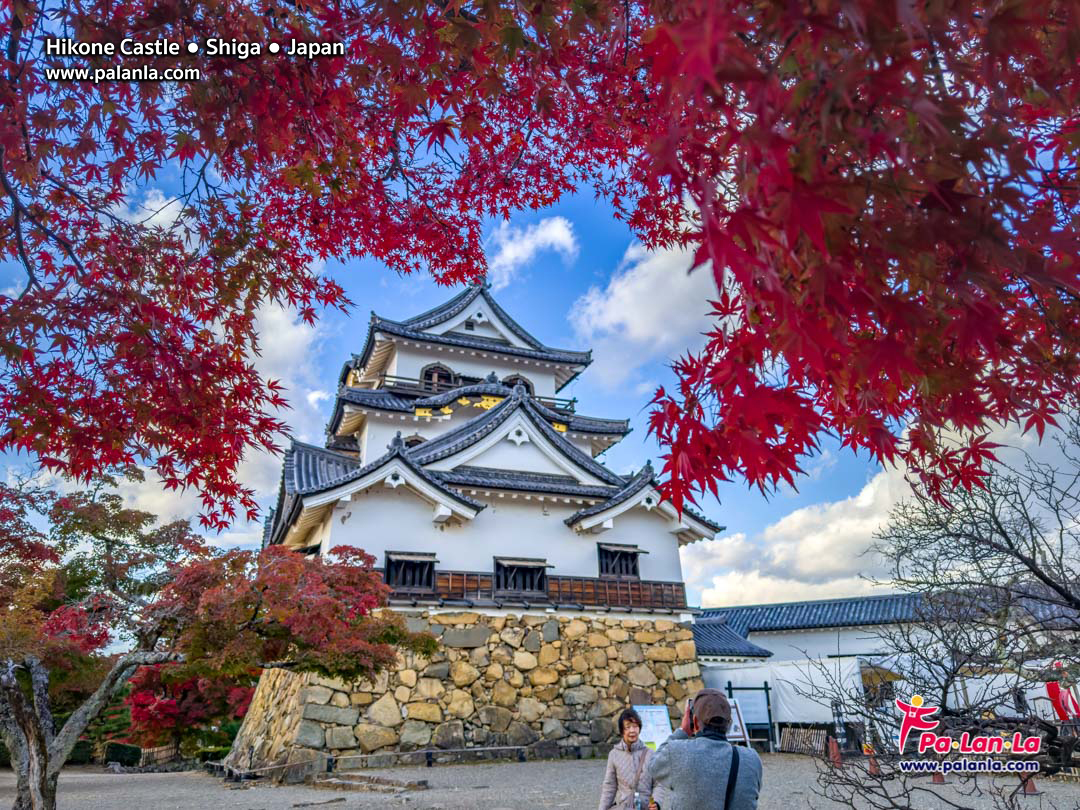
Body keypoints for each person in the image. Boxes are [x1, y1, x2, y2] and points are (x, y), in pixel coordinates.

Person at [648, 689, 763, 810]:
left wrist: (683, 731)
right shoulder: (751, 759)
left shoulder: (676, 752)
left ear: (695, 722)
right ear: (729, 724)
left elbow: (653, 766)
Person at [599, 707, 654, 810]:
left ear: (639, 728)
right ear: (622, 731)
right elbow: (609, 786)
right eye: (628, 727)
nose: (632, 730)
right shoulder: (614, 754)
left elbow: (658, 784)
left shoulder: (650, 754)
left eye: (635, 726)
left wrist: (657, 803)